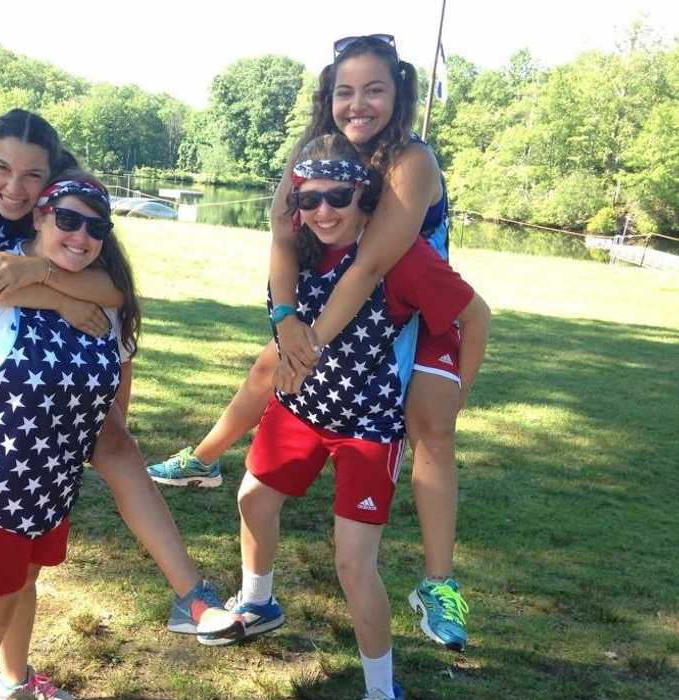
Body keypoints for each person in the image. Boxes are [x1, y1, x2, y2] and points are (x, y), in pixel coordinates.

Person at [148, 34, 477, 652]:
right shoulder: (317, 153)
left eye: (374, 90)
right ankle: (206, 460)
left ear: (398, 92)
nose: (358, 105)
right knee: (267, 370)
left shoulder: (410, 160)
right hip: (351, 304)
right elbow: (282, 232)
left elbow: (372, 265)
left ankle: (438, 582)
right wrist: (285, 320)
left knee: (432, 427)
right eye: (345, 91)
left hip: (413, 304)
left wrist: (309, 340)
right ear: (328, 96)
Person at [0, 109, 242, 646]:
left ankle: (191, 595)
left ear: (51, 178)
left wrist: (43, 272)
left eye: (32, 175)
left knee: (117, 442)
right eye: (3, 169)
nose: (15, 188)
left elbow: (114, 291)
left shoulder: (67, 216)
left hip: (20, 346)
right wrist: (55, 298)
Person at [214, 134, 489, 700]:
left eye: (337, 197)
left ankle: (382, 694)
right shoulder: (301, 245)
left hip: (368, 425)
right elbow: (281, 261)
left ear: (365, 197)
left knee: (353, 564)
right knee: (253, 498)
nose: (323, 211)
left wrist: (458, 393)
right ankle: (258, 602)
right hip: (301, 408)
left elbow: (475, 315)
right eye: (308, 199)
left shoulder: (401, 257)